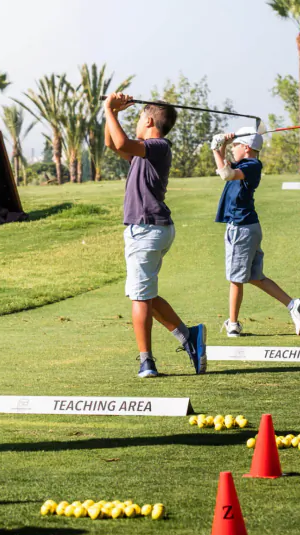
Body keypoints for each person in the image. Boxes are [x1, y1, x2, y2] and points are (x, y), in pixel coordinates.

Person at [105, 93, 207, 378]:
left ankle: (146, 362)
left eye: (138, 118)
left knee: (140, 298)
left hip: (148, 229)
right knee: (145, 295)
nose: (136, 123)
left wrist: (108, 109)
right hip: (147, 229)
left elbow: (123, 142)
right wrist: (110, 112)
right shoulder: (144, 151)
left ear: (149, 120)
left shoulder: (159, 146)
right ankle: (189, 337)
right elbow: (113, 143)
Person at [210, 129, 300, 337]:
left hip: (241, 227)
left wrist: (215, 147)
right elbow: (224, 170)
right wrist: (222, 146)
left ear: (246, 148)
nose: (233, 149)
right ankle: (293, 305)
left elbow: (226, 175)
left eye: (236, 146)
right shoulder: (245, 164)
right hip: (248, 226)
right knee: (255, 276)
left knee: (236, 278)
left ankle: (234, 324)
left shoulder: (252, 165)